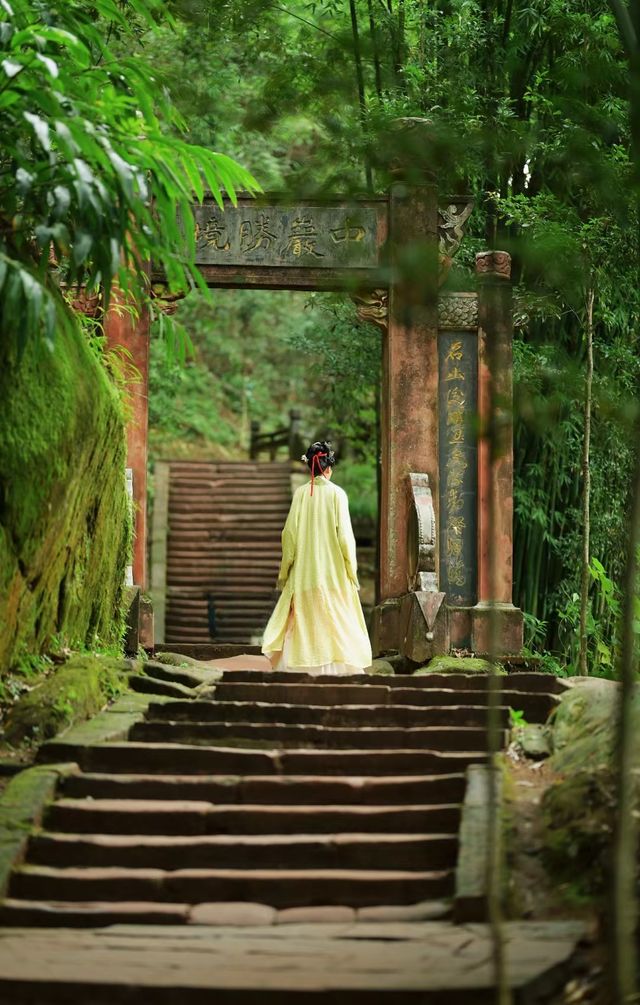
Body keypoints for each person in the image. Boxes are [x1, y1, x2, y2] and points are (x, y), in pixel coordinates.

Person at [261, 440, 372, 675]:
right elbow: (345, 538)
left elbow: (289, 535)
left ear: (309, 468)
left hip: (305, 572)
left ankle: (298, 667)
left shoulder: (301, 494)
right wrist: (352, 571)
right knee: (335, 619)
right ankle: (339, 668)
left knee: (303, 619)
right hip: (333, 573)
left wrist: (285, 570)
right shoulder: (338, 495)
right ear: (329, 468)